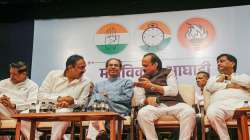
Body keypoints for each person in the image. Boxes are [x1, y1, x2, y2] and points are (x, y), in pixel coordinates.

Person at [134, 53, 196, 140]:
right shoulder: (141, 79)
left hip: (175, 104)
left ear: (155, 65)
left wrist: (152, 86)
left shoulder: (168, 72)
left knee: (189, 112)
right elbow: (139, 100)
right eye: (142, 66)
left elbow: (173, 91)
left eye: (146, 65)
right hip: (155, 107)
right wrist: (146, 101)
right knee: (142, 114)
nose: (143, 68)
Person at [38, 54, 91, 140]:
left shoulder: (86, 82)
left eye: (84, 67)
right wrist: (59, 99)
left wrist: (73, 101)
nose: (84, 70)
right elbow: (41, 95)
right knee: (24, 116)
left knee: (63, 113)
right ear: (70, 67)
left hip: (66, 110)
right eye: (81, 67)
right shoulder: (53, 75)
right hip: (46, 108)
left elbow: (83, 102)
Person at [86, 58, 134, 140]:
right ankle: (101, 127)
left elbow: (127, 98)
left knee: (101, 101)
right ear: (106, 68)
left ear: (120, 68)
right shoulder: (98, 84)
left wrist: (108, 97)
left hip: (118, 111)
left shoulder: (127, 82)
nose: (113, 67)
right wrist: (102, 98)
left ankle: (99, 129)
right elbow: (92, 100)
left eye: (116, 65)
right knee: (99, 101)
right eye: (110, 65)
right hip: (99, 110)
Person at [205, 53, 250, 140]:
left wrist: (227, 78)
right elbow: (210, 87)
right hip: (221, 106)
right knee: (212, 112)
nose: (218, 64)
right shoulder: (214, 78)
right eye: (217, 62)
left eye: (222, 61)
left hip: (243, 105)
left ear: (232, 64)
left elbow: (248, 82)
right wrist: (229, 85)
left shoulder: (242, 76)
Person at [0, 61, 39, 140]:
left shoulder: (32, 86)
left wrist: (13, 105)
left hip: (20, 113)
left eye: (14, 74)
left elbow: (32, 105)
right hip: (3, 111)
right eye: (10, 73)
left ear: (24, 74)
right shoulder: (3, 83)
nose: (11, 77)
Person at [195, 71, 209, 140]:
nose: (197, 80)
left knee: (198, 118)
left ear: (207, 79)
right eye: (196, 79)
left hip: (208, 112)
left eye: (200, 78)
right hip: (199, 113)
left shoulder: (212, 90)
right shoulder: (196, 92)